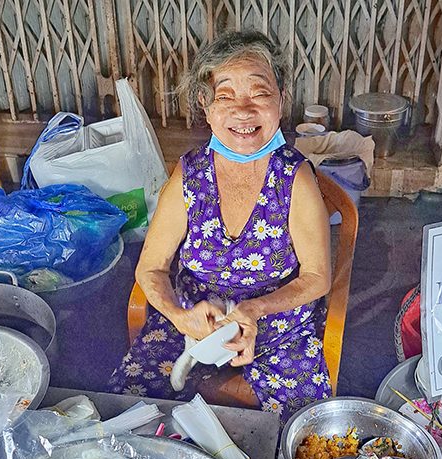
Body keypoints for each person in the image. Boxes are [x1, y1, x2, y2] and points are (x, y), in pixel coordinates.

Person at [108, 30, 332, 420]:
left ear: (281, 100)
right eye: (225, 96)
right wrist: (180, 317)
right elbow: (151, 268)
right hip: (192, 323)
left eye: (259, 94)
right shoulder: (189, 176)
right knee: (128, 414)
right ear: (206, 105)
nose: (243, 111)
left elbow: (317, 277)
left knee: (306, 431)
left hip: (276, 327)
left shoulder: (294, 178)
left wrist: (254, 309)